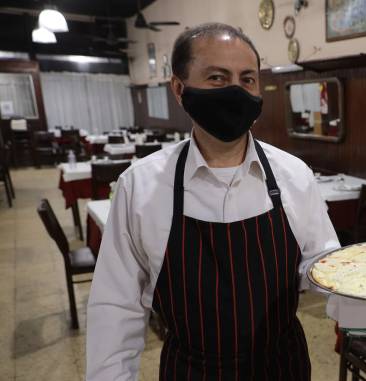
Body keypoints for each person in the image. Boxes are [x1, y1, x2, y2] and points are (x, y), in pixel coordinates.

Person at [86, 23, 340, 380]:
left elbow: (324, 267)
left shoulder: (293, 176)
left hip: (282, 366)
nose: (235, 91)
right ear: (179, 88)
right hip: (191, 370)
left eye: (247, 79)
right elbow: (115, 309)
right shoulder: (140, 187)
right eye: (218, 78)